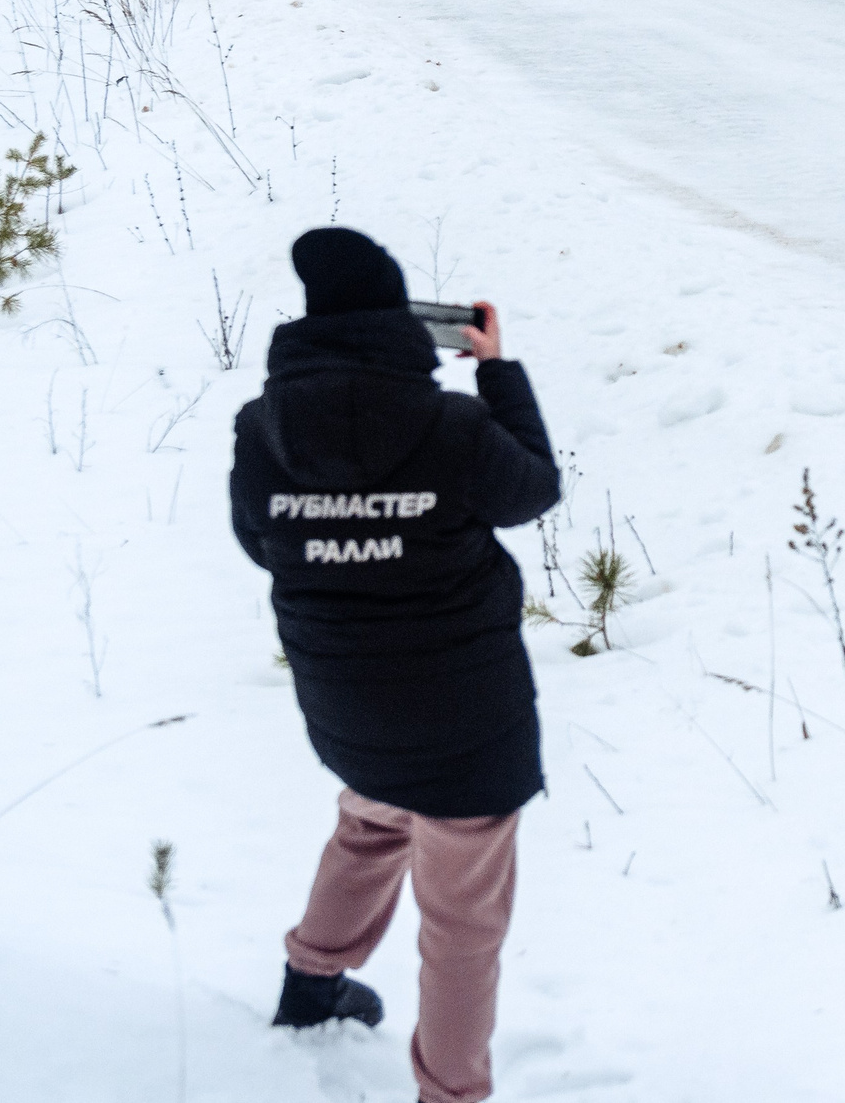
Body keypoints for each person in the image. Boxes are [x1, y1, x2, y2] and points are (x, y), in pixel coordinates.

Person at [230, 227, 560, 1103]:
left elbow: (261, 543)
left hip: (347, 706)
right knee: (461, 924)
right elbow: (532, 489)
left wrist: (341, 533)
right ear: (397, 322)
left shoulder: (262, 429)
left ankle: (311, 984)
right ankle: (450, 1092)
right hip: (466, 725)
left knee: (373, 823)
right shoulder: (449, 423)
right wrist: (497, 370)